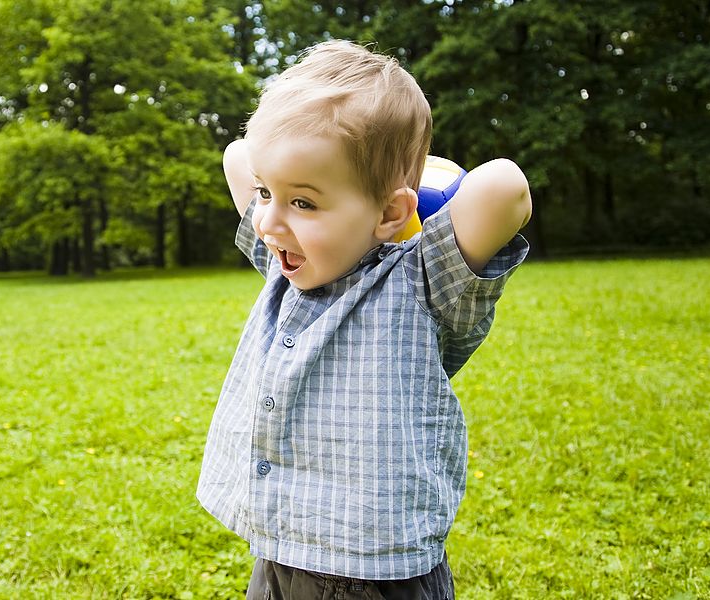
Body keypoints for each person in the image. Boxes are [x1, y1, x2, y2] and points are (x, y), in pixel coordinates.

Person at [196, 39, 531, 600]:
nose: (268, 222)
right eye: (264, 195)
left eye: (303, 202)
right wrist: (286, 187)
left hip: (372, 571)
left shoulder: (424, 281)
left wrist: (417, 201)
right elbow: (238, 155)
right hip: (281, 547)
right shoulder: (290, 264)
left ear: (389, 212)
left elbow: (504, 188)